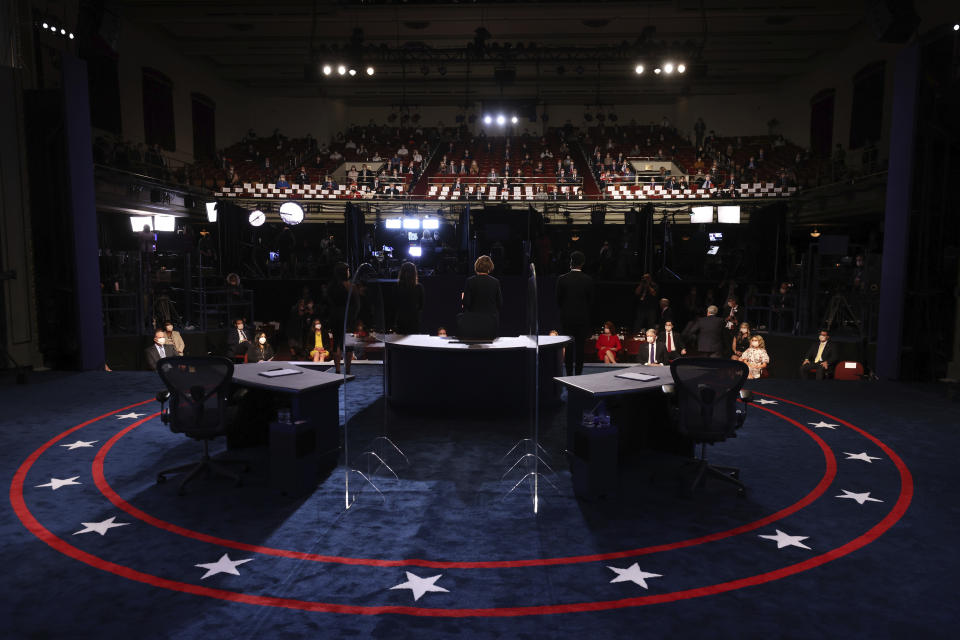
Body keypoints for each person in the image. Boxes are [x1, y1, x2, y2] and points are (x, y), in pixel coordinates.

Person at [555, 250, 594, 375]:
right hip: (582, 319)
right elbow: (591, 301)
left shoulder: (562, 279)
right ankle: (578, 375)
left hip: (567, 318)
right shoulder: (588, 280)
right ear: (582, 263)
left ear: (571, 262)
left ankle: (569, 375)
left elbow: (558, 300)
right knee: (580, 348)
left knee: (569, 347)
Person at [459, 255, 502, 339]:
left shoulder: (470, 281)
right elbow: (500, 303)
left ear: (476, 266)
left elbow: (466, 303)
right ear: (490, 267)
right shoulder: (495, 282)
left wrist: (463, 299)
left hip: (474, 322)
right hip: (491, 322)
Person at [326, 262, 353, 374]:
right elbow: (356, 303)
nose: (349, 272)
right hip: (348, 317)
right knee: (349, 345)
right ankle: (347, 371)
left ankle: (337, 370)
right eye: (348, 270)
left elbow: (328, 303)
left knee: (337, 343)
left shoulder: (331, 287)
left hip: (335, 316)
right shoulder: (350, 286)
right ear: (344, 272)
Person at [394, 261, 425, 334]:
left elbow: (394, 305)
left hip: (401, 319)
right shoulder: (419, 287)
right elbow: (421, 305)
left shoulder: (397, 287)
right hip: (413, 319)